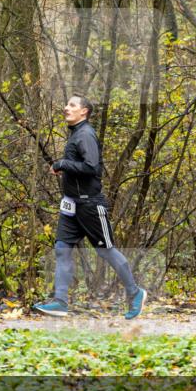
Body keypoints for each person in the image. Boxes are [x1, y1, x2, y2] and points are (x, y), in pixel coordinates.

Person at [32, 96, 147, 320]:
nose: (66, 108)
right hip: (71, 206)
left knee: (105, 250)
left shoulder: (85, 134)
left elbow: (91, 167)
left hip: (90, 206)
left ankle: (135, 293)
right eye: (66, 104)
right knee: (62, 248)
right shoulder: (76, 133)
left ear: (84, 111)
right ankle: (60, 302)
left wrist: (62, 164)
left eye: (72, 105)